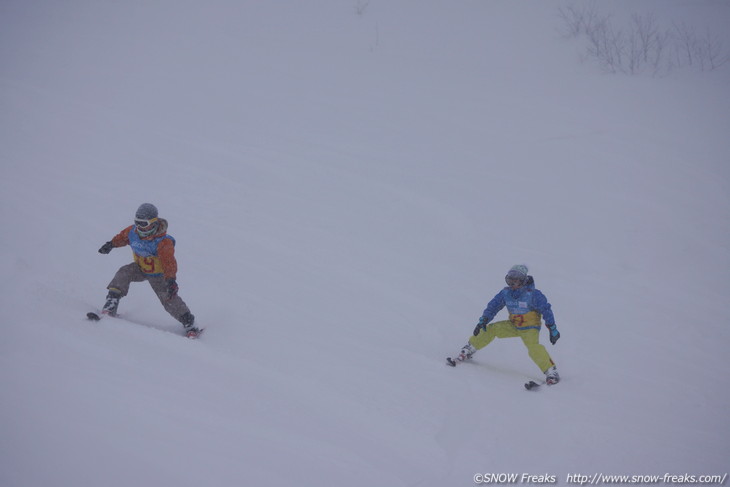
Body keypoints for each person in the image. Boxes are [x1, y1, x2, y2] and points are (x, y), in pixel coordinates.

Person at [97, 203, 201, 338]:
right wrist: (111, 244)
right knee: (124, 272)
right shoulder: (132, 232)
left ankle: (189, 323)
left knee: (167, 298)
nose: (140, 227)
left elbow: (169, 262)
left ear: (153, 223)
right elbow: (122, 237)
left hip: (158, 275)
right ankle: (111, 303)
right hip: (140, 268)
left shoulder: (163, 242)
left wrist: (171, 280)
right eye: (137, 223)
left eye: (143, 224)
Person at [449, 265, 561, 385]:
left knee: (533, 347)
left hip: (530, 328)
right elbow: (494, 306)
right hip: (514, 325)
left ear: (523, 281)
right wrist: (484, 320)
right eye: (510, 280)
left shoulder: (533, 294)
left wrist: (552, 328)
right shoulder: (506, 293)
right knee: (492, 329)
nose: (512, 283)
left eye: (516, 280)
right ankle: (470, 348)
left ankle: (551, 371)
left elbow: (546, 310)